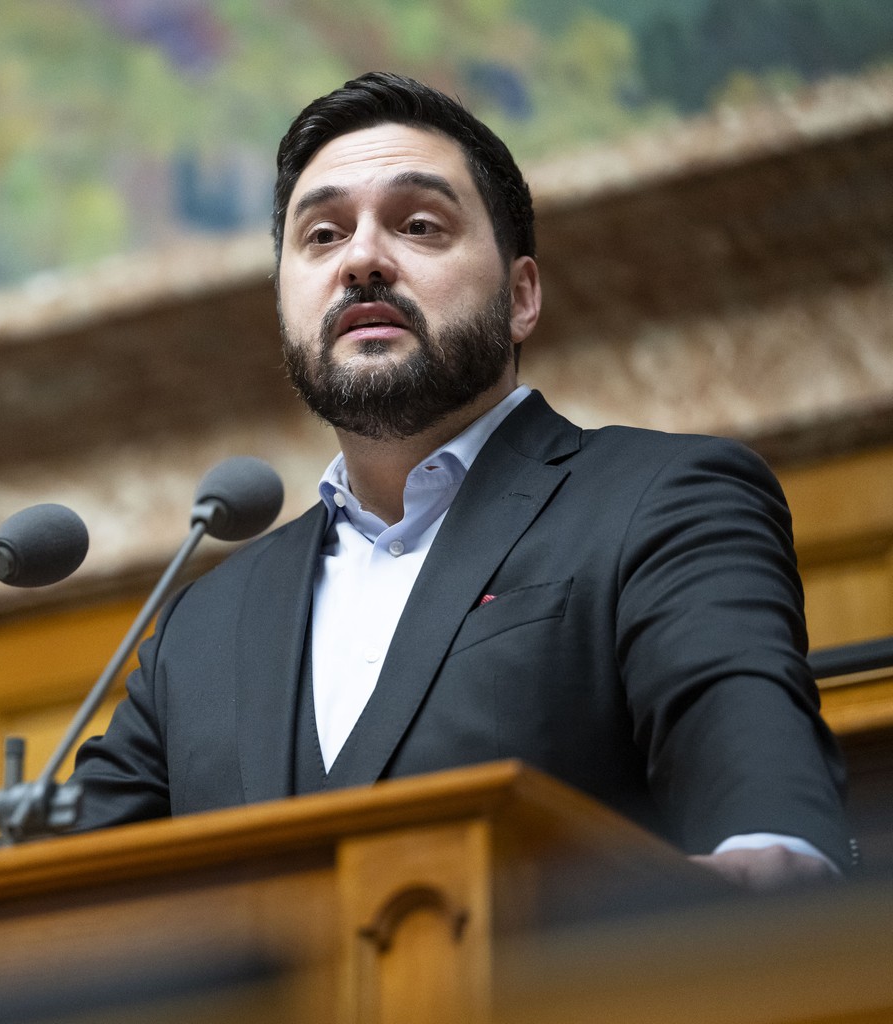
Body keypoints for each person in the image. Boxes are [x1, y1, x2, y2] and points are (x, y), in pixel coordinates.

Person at [66, 72, 852, 890]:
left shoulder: (667, 499)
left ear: (520, 297)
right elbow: (30, 918)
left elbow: (772, 847)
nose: (363, 259)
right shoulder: (204, 626)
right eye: (323, 236)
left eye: (418, 225)